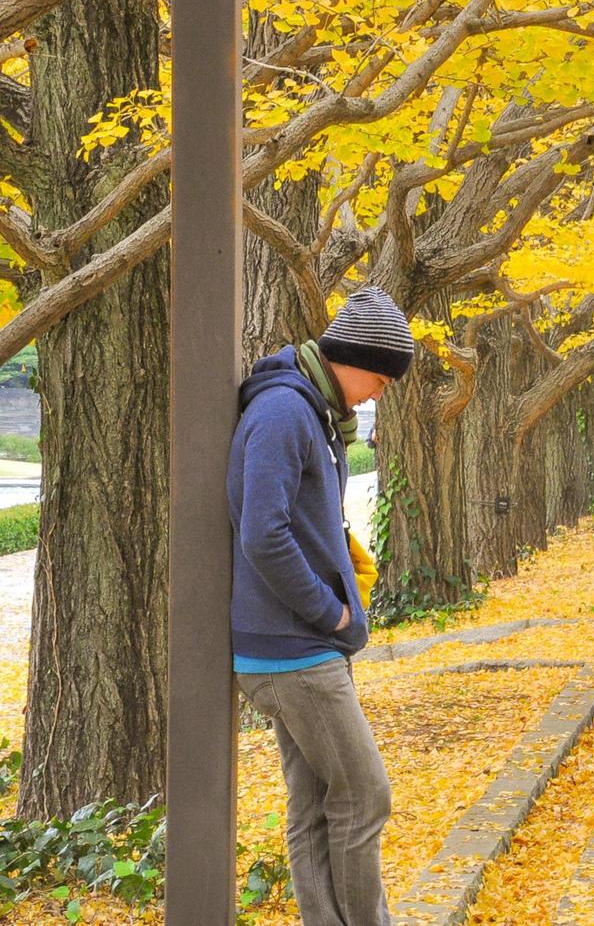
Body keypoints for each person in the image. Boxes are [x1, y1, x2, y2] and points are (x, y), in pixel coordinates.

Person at [230, 287, 416, 926]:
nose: (383, 391)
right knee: (365, 798)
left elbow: (296, 521)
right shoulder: (286, 410)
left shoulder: (311, 411)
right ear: (354, 357)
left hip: (293, 646)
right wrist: (329, 611)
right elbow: (262, 530)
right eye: (383, 376)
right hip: (294, 650)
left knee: (314, 808)